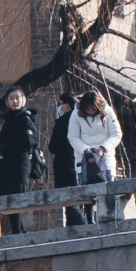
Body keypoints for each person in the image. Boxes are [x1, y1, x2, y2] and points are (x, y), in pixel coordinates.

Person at [0, 88, 40, 235]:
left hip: (19, 164)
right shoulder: (8, 119)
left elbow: (27, 144)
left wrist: (4, 147)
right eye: (11, 98)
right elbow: (5, 139)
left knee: (16, 198)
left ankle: (19, 230)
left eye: (17, 98)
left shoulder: (25, 118)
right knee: (6, 198)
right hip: (6, 164)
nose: (15, 101)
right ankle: (19, 230)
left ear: (24, 100)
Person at [70, 90, 121, 191]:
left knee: (108, 192)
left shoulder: (108, 112)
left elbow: (116, 134)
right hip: (84, 160)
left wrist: (103, 148)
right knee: (87, 194)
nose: (90, 112)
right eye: (88, 109)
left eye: (93, 109)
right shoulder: (76, 114)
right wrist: (86, 150)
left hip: (106, 159)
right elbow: (72, 136)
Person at [49, 91, 84, 225]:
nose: (60, 106)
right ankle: (73, 231)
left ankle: (86, 228)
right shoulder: (81, 121)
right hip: (80, 165)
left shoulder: (62, 123)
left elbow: (54, 147)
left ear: (67, 105)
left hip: (65, 166)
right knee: (78, 203)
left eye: (61, 104)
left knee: (70, 204)